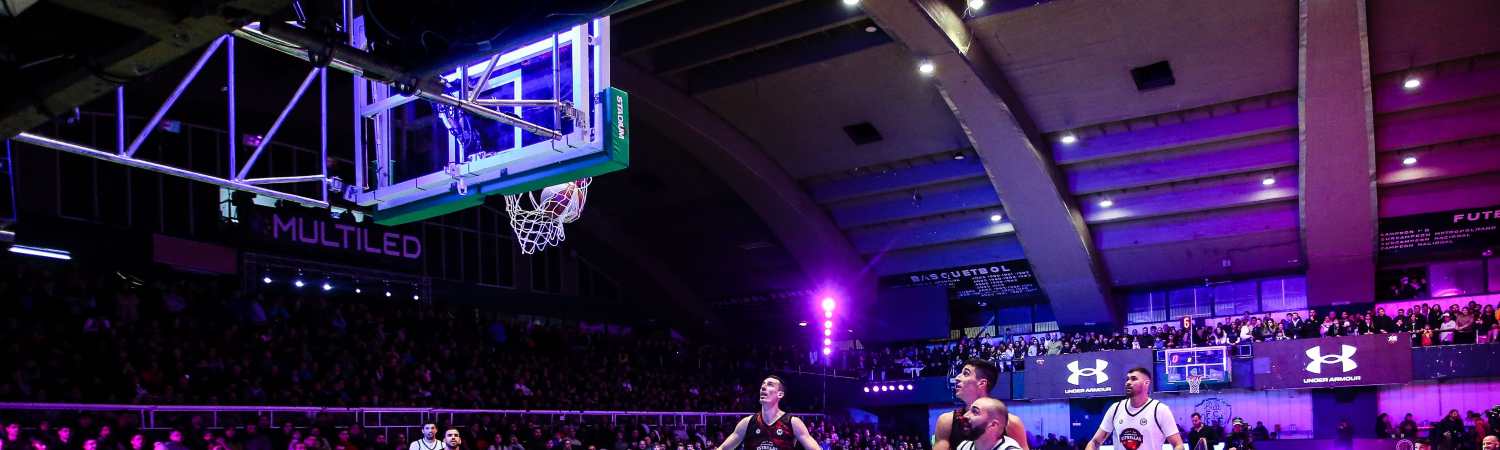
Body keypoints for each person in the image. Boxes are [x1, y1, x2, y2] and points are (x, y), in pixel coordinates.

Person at [933, 360, 1030, 450]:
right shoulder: (947, 421)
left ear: (982, 383)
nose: (957, 378)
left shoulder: (1011, 423)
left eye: (965, 373)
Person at [1085, 368, 1185, 450]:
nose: (1128, 382)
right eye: (1127, 379)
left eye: (1133, 379)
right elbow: (1095, 442)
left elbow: (1178, 445)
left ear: (1146, 383)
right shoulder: (1115, 408)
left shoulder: (1160, 410)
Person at [711, 376, 821, 450]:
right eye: (763, 384)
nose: (763, 387)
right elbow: (722, 449)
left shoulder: (793, 422)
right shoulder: (747, 422)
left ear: (780, 394)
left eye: (770, 384)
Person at [953, 398, 1022, 450]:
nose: (965, 415)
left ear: (993, 425)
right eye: (969, 410)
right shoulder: (964, 446)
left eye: (975, 412)